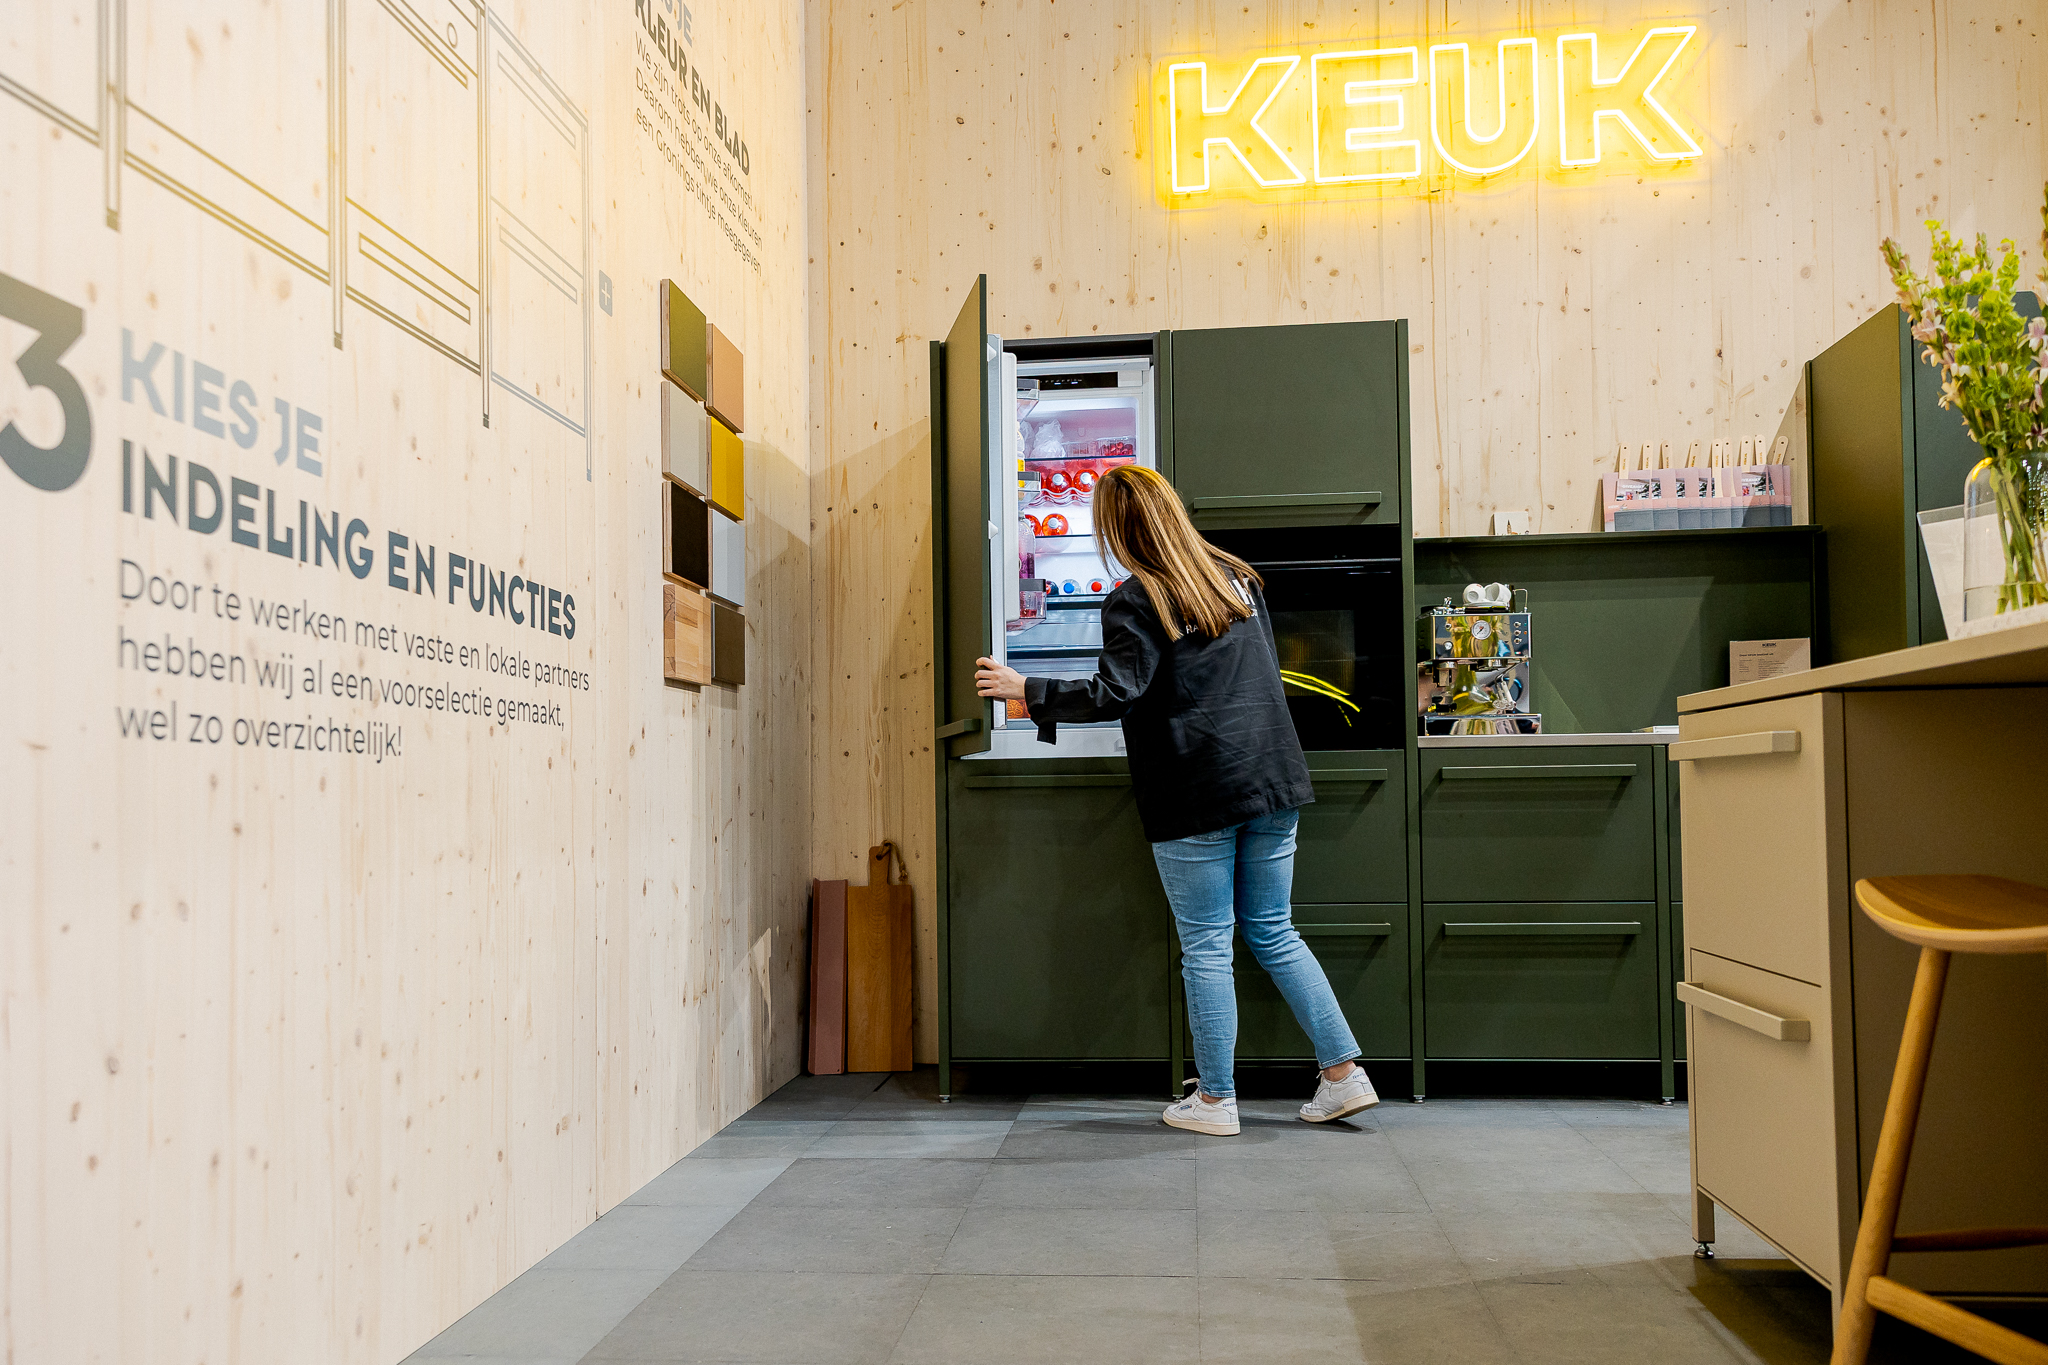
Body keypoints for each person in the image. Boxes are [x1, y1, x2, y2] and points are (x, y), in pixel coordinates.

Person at [974, 464, 1377, 1136]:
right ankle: (1343, 1074)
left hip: (1199, 789)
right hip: (1272, 778)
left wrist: (1026, 686)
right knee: (1275, 930)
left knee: (1208, 947)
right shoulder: (1235, 577)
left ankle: (1216, 1101)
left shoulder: (1138, 599)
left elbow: (1116, 692)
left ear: (1118, 530)